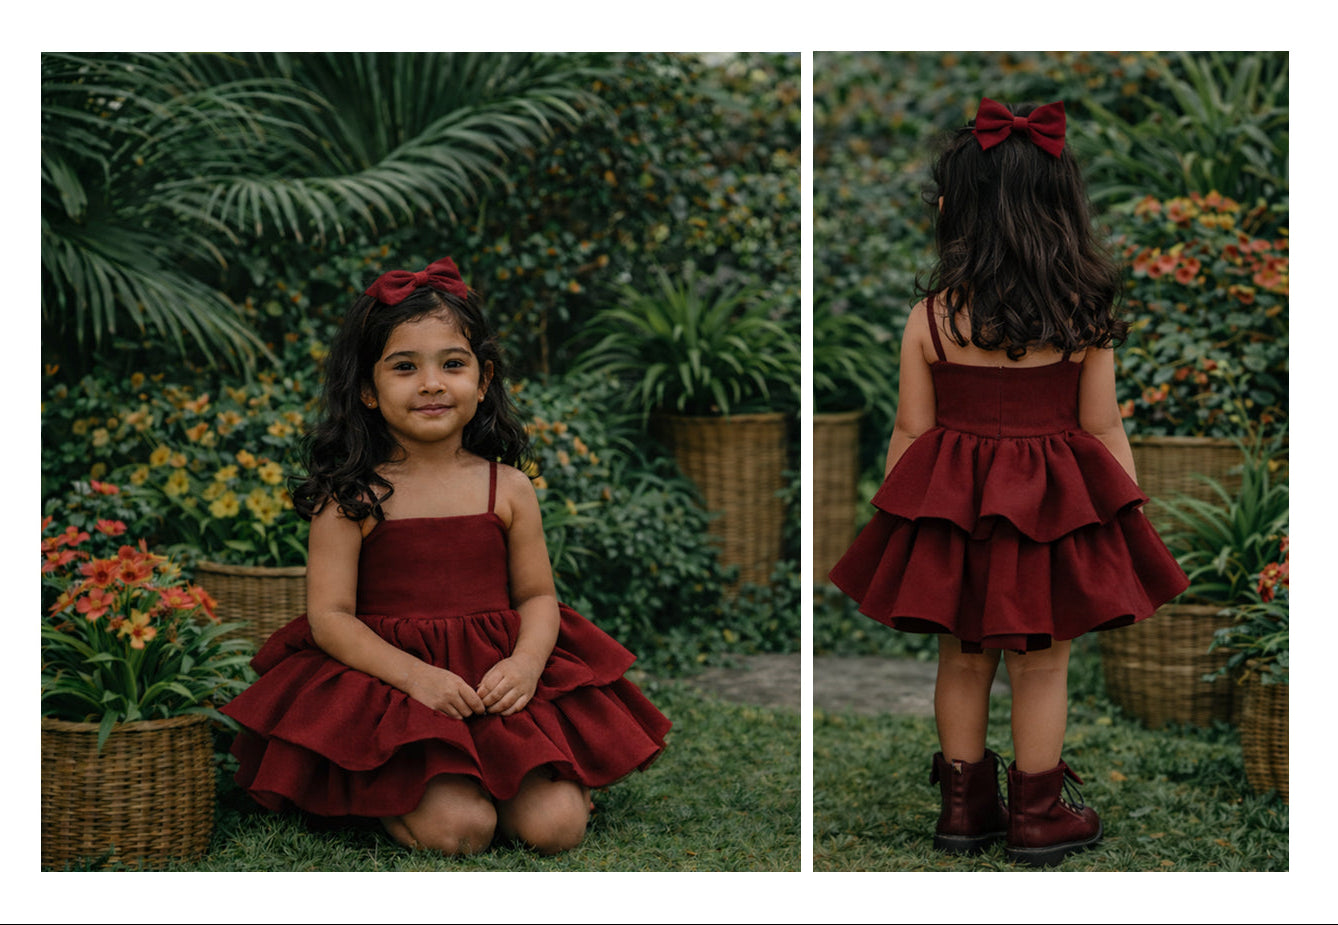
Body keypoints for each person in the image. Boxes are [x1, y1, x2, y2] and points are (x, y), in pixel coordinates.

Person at [828, 99, 1188, 867]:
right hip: (1053, 518)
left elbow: (912, 432)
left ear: (960, 213)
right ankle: (1037, 814)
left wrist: (903, 518)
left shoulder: (930, 318)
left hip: (958, 518)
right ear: (1059, 210)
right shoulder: (1082, 314)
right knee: (1043, 662)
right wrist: (1122, 514)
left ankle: (963, 811)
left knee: (962, 655)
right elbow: (1101, 427)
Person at [221, 258, 670, 856]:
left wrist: (527, 666)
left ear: (482, 382)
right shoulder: (351, 497)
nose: (431, 383)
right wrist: (417, 677)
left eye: (452, 365)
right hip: (393, 687)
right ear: (367, 390)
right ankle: (377, 783)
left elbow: (537, 596)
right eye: (405, 367)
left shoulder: (507, 487)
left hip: (492, 680)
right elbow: (329, 618)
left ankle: (531, 778)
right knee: (460, 832)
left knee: (557, 829)